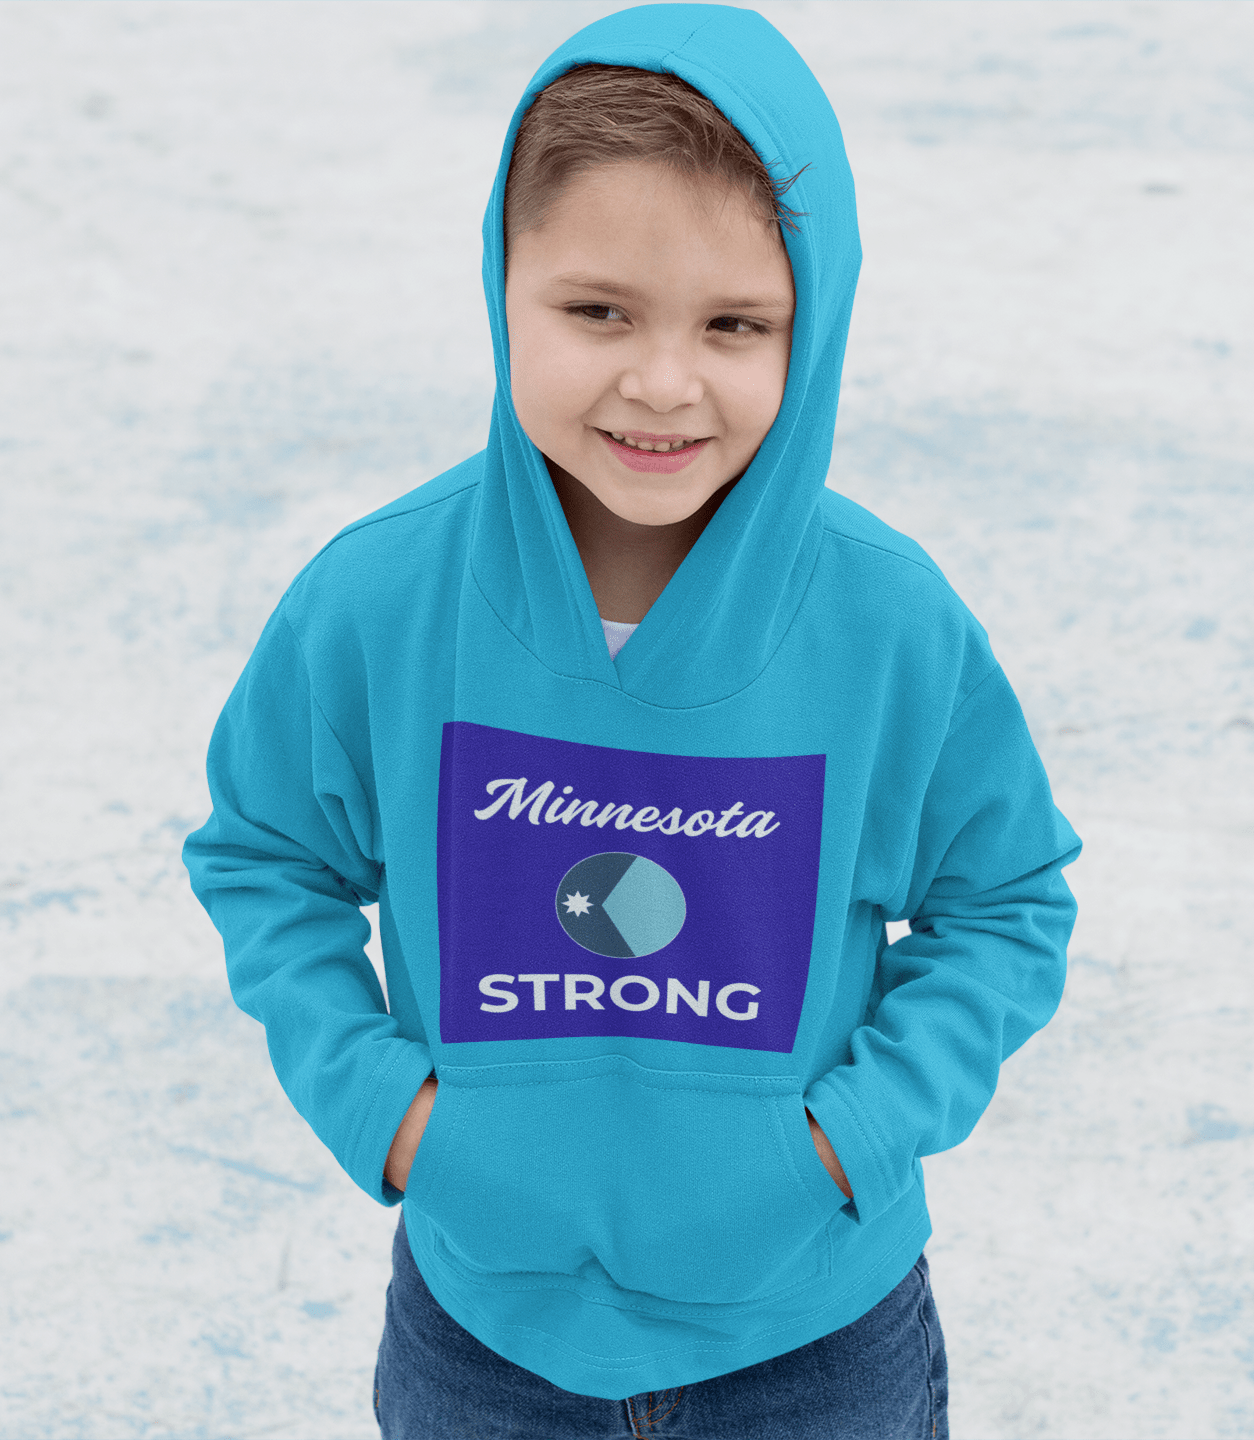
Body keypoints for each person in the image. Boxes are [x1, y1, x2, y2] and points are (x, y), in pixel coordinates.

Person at [183, 6, 1080, 1436]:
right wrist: (393, 1115)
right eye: (598, 310)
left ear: (816, 320)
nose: (662, 382)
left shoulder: (886, 624)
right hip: (484, 1338)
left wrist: (839, 1147)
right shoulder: (380, 602)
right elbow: (264, 855)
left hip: (815, 1336)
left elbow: (1007, 904)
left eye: (735, 325)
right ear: (502, 286)